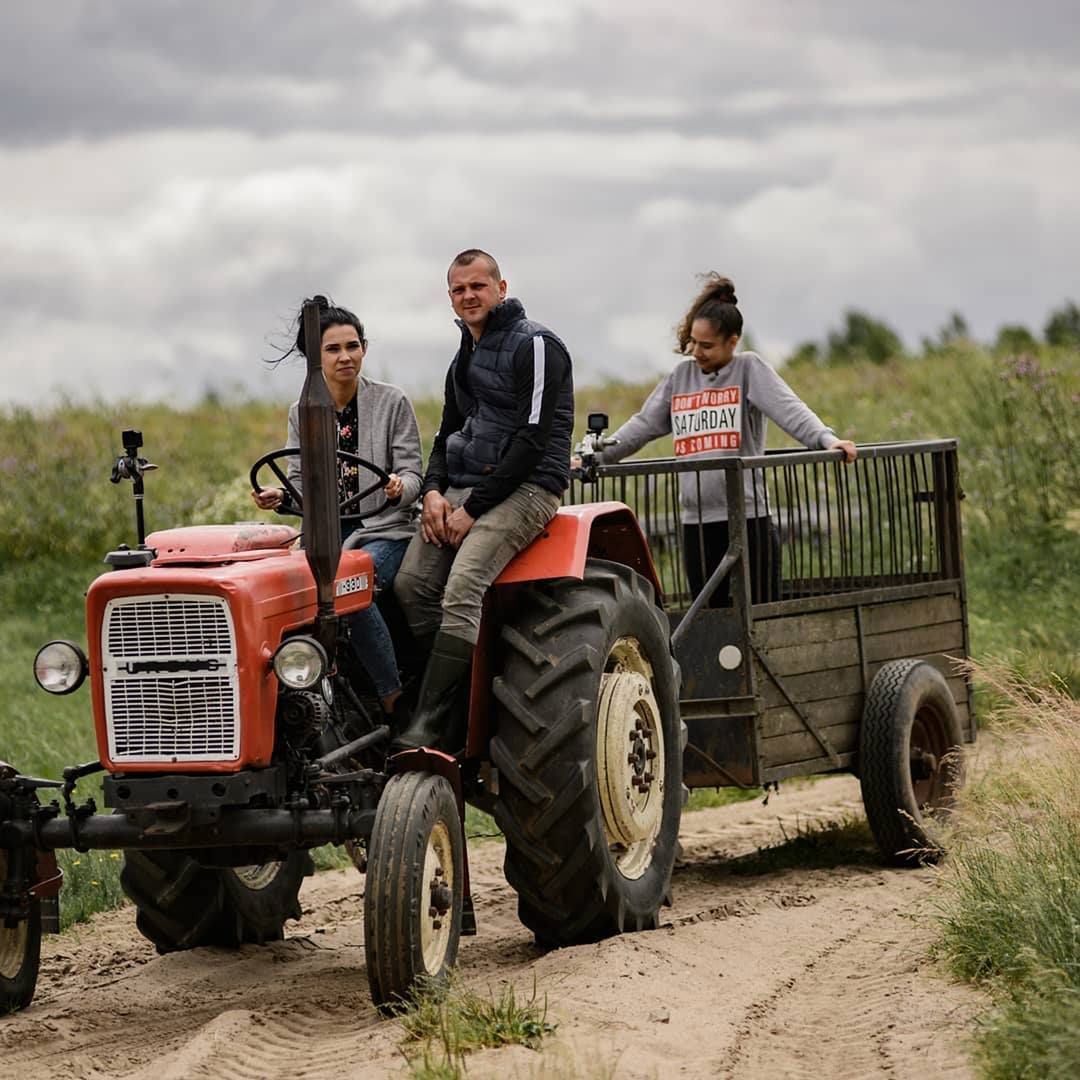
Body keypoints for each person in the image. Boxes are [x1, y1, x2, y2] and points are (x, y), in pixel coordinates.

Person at [391, 249, 575, 752]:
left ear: (501, 287)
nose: (469, 296)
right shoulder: (465, 353)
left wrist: (472, 508)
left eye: (478, 286)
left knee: (462, 586)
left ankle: (431, 722)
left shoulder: (536, 345)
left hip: (529, 487)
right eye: (459, 289)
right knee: (411, 584)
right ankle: (467, 699)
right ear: (449, 296)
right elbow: (449, 428)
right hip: (465, 485)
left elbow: (533, 439)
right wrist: (431, 491)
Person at [600, 273, 856, 606]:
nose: (697, 352)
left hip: (747, 519)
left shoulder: (749, 370)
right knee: (709, 617)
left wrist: (827, 440)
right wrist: (597, 457)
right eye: (693, 342)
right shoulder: (681, 376)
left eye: (707, 345)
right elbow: (643, 424)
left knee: (763, 611)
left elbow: (790, 410)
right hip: (697, 522)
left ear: (732, 342)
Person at [252, 296, 423, 720]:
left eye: (353, 346)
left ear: (364, 348)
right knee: (280, 591)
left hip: (385, 530)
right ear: (315, 358)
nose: (346, 357)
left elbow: (414, 476)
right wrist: (281, 497)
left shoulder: (392, 401)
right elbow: (299, 480)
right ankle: (296, 700)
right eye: (333, 349)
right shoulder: (303, 411)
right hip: (328, 532)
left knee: (349, 584)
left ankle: (392, 698)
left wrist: (399, 488)